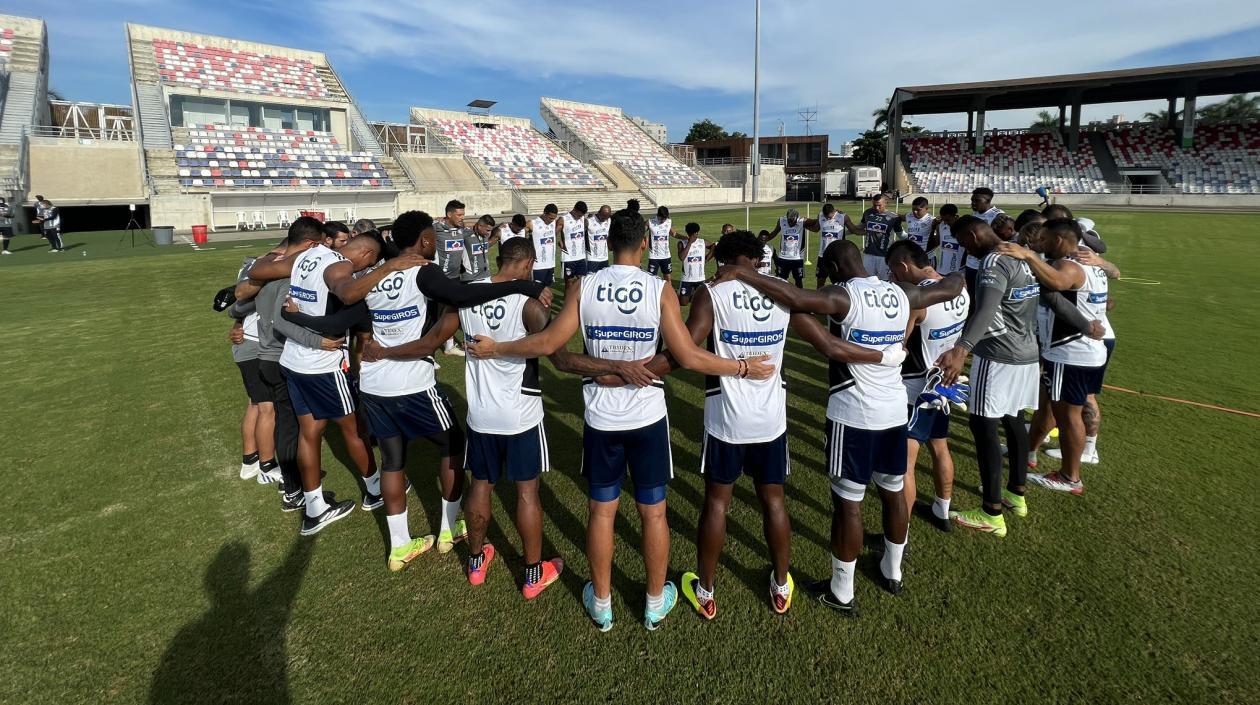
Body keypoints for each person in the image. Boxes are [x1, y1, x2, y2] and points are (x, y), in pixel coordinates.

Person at [467, 208, 776, 633]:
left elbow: (551, 347)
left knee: (601, 511)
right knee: (653, 512)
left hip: (600, 417)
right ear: (646, 241)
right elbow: (686, 356)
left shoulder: (583, 285)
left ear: (608, 241)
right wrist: (742, 368)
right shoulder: (658, 287)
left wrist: (496, 349)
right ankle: (653, 603)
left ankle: (602, 603)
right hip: (647, 415)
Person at [712, 239, 964, 616]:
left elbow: (795, 297)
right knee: (894, 492)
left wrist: (743, 273)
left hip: (854, 414)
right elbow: (953, 284)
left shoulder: (843, 297)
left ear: (831, 268)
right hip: (896, 409)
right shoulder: (901, 292)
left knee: (849, 505)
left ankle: (842, 591)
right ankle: (892, 570)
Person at [281, 211, 552, 561]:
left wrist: (295, 316)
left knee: (393, 460)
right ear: (425, 240)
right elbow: (461, 295)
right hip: (411, 380)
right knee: (454, 444)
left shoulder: (370, 276)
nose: (436, 243)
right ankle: (449, 528)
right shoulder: (424, 270)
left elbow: (339, 319)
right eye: (433, 238)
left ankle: (399, 547)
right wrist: (525, 286)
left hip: (375, 382)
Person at [669, 230, 897, 620]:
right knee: (773, 501)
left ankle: (706, 590)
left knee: (717, 504)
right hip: (771, 420)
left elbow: (685, 349)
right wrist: (884, 356)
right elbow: (827, 345)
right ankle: (780, 585)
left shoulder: (711, 293)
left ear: (721, 261)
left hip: (726, 417)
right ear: (757, 260)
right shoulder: (781, 293)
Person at [421, 237, 640, 595]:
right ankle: (533, 574)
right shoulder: (529, 303)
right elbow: (562, 358)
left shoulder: (466, 296)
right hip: (520, 413)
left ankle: (476, 562)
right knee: (526, 493)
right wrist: (611, 370)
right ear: (528, 265)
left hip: (480, 412)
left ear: (498, 259)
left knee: (481, 484)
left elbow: (433, 341)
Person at [242, 228, 403, 535]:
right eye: (370, 264)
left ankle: (315, 507)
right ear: (368, 256)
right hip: (324, 366)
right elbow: (347, 293)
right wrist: (388, 268)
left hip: (293, 360)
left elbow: (257, 269)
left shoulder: (307, 255)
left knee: (309, 433)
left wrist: (282, 258)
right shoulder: (340, 267)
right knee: (353, 429)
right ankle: (374, 490)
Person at [935, 215, 1039, 537]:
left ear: (971, 235)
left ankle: (991, 511)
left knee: (983, 426)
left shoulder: (993, 261)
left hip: (998, 357)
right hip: (1027, 354)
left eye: (965, 243)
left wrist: (962, 349)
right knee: (1015, 419)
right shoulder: (1020, 255)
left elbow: (987, 309)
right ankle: (1016, 493)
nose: (967, 251)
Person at [231, 229, 343, 512]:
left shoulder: (265, 272)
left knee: (279, 419)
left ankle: (288, 483)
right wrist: (319, 340)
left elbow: (239, 304)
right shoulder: (282, 276)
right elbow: (280, 321)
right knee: (290, 425)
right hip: (276, 356)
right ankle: (293, 490)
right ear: (308, 245)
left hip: (266, 355)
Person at [998, 220, 1109, 495]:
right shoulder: (1093, 263)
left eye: (1045, 239)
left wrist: (1028, 255)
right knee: (1053, 407)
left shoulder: (1068, 266)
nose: (1040, 244)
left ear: (1059, 240)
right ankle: (1031, 452)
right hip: (1086, 351)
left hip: (1069, 350)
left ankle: (1070, 477)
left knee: (1067, 415)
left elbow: (1056, 282)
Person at [885, 240, 968, 531]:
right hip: (944, 382)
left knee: (905, 462)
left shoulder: (919, 302)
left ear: (903, 266)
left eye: (894, 272)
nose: (893, 278)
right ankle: (942, 510)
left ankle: (899, 535)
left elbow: (898, 346)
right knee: (940, 446)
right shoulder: (958, 288)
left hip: (916, 390)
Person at [434, 199, 472, 356]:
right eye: (459, 214)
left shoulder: (461, 227)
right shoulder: (436, 228)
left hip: (456, 278)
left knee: (452, 312)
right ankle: (429, 353)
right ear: (449, 215)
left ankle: (449, 346)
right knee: (435, 317)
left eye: (463, 214)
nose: (462, 217)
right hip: (440, 279)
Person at [805, 203, 863, 289]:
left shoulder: (843, 217)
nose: (828, 218)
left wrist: (867, 232)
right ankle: (820, 297)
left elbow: (853, 229)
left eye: (830, 216)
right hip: (823, 254)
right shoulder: (821, 215)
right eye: (826, 216)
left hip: (838, 255)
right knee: (820, 280)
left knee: (840, 281)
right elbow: (816, 228)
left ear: (834, 212)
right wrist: (804, 226)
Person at [963, 187, 1004, 296]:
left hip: (986, 265)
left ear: (988, 201)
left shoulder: (998, 216)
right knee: (970, 295)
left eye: (977, 201)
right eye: (972, 200)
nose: (973, 203)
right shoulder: (975, 214)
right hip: (971, 264)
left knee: (983, 296)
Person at [859, 194, 902, 280]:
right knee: (867, 281)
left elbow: (901, 234)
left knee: (885, 282)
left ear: (886, 203)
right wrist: (842, 232)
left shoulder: (893, 217)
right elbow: (860, 226)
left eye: (879, 205)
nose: (877, 208)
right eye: (874, 205)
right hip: (868, 254)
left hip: (884, 256)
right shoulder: (868, 212)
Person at [765, 208, 807, 288]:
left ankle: (799, 297)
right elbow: (774, 233)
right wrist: (761, 241)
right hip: (783, 257)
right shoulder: (781, 220)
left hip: (797, 258)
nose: (790, 223)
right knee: (781, 279)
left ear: (797, 218)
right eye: (789, 220)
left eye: (792, 221)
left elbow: (816, 227)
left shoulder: (802, 221)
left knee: (798, 280)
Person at [676, 222, 712, 306]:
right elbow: (681, 257)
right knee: (683, 303)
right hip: (687, 279)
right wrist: (689, 243)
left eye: (696, 233)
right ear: (688, 233)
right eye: (694, 233)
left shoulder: (702, 242)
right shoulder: (682, 243)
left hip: (700, 278)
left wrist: (707, 259)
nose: (696, 235)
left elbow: (714, 246)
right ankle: (686, 293)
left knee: (700, 302)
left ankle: (692, 293)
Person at [462, 214, 498, 283]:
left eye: (490, 230)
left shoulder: (485, 234)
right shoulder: (466, 234)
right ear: (480, 226)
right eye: (487, 230)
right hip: (470, 278)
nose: (489, 233)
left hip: (486, 276)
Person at [560, 201, 589, 282]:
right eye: (579, 215)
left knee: (582, 281)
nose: (580, 217)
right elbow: (553, 233)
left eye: (582, 215)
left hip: (581, 257)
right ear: (574, 210)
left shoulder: (583, 219)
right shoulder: (563, 219)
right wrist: (560, 242)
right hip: (568, 258)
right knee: (569, 282)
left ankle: (580, 295)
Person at [531, 204, 559, 286]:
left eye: (554, 218)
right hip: (538, 265)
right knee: (536, 290)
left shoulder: (554, 222)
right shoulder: (533, 223)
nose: (552, 220)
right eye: (550, 218)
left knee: (547, 288)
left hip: (550, 264)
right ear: (544, 214)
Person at [647, 205, 676, 281]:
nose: (663, 220)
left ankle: (669, 292)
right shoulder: (650, 222)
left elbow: (674, 234)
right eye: (662, 218)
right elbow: (640, 232)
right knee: (651, 278)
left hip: (666, 256)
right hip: (654, 256)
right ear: (658, 215)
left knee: (668, 278)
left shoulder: (669, 221)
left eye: (665, 218)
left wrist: (685, 238)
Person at [933, 204, 963, 275]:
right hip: (941, 271)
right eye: (943, 220)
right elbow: (937, 244)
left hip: (958, 272)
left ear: (956, 216)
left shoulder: (964, 228)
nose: (945, 222)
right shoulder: (941, 226)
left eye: (947, 220)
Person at [585, 205, 612, 274]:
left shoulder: (608, 220)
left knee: (603, 280)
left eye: (606, 217)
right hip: (592, 258)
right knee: (591, 281)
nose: (604, 219)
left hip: (604, 258)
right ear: (599, 212)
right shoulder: (588, 221)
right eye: (603, 217)